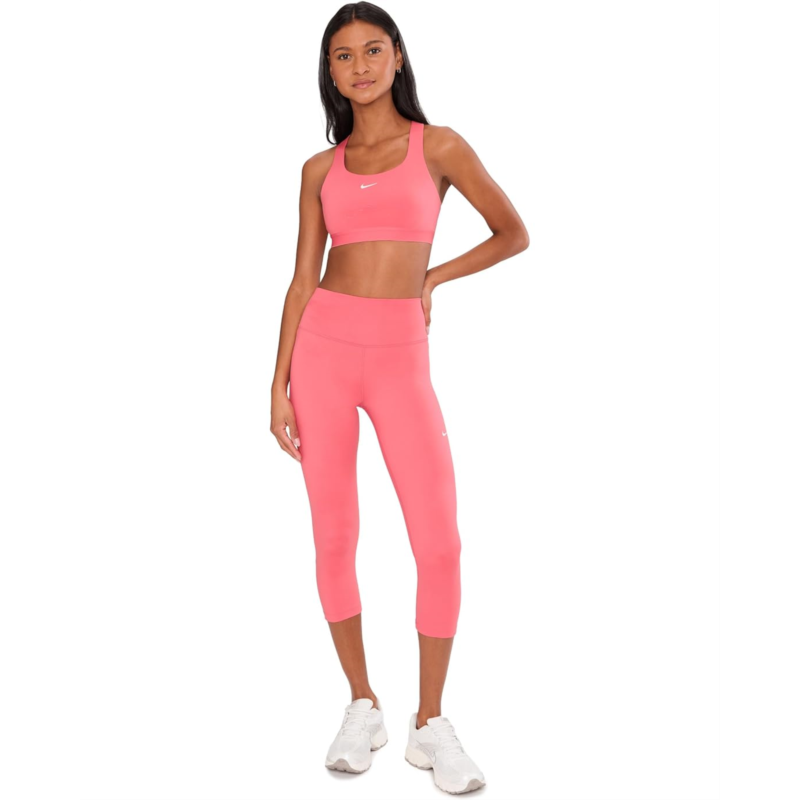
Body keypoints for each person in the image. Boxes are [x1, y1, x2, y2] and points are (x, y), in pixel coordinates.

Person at [270, 3, 528, 793]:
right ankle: (362, 703)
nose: (360, 67)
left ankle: (431, 723)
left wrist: (434, 277)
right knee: (334, 535)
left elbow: (512, 231)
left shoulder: (438, 146)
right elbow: (302, 278)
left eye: (373, 50)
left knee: (439, 542)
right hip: (321, 349)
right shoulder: (319, 169)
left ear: (399, 57)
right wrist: (277, 382)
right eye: (343, 56)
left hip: (399, 355)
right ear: (330, 72)